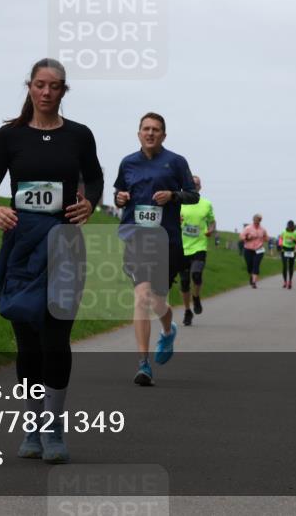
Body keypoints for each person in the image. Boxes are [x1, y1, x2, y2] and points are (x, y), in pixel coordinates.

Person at [0, 58, 103, 464]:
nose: (47, 93)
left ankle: (53, 427)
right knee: (28, 342)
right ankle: (32, 425)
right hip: (23, 246)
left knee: (56, 337)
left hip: (64, 244)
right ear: (29, 87)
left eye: (56, 86)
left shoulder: (79, 136)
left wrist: (90, 204)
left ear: (65, 91)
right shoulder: (9, 136)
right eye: (40, 85)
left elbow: (95, 178)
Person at [114, 112, 198, 386]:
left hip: (167, 241)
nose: (150, 133)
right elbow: (118, 195)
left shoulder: (175, 162)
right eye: (146, 129)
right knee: (141, 297)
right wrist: (121, 198)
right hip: (136, 238)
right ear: (139, 133)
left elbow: (193, 195)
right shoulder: (128, 163)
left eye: (156, 129)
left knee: (158, 302)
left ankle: (167, 330)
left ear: (163, 135)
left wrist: (173, 196)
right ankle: (143, 363)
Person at [178, 175, 216, 326]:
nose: (194, 186)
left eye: (197, 184)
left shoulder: (206, 204)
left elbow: (212, 222)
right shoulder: (179, 202)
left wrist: (210, 230)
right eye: (191, 184)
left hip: (199, 246)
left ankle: (196, 297)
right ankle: (187, 310)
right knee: (184, 282)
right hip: (182, 247)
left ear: (200, 187)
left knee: (196, 274)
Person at [239, 214, 269, 289]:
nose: (256, 223)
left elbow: (266, 238)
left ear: (260, 221)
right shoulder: (248, 228)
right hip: (248, 249)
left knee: (256, 265)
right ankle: (251, 276)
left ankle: (254, 282)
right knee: (249, 266)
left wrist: (265, 239)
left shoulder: (263, 229)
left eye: (258, 221)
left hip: (259, 250)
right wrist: (247, 237)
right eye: (255, 221)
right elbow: (241, 237)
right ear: (253, 220)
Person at [278, 221, 296, 290]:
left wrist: (294, 240)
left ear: (293, 226)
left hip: (292, 250)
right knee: (285, 266)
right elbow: (281, 238)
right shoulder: (284, 231)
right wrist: (280, 244)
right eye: (289, 226)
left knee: (291, 266)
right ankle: (285, 282)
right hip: (284, 250)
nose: (290, 228)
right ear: (287, 226)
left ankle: (290, 281)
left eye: (292, 227)